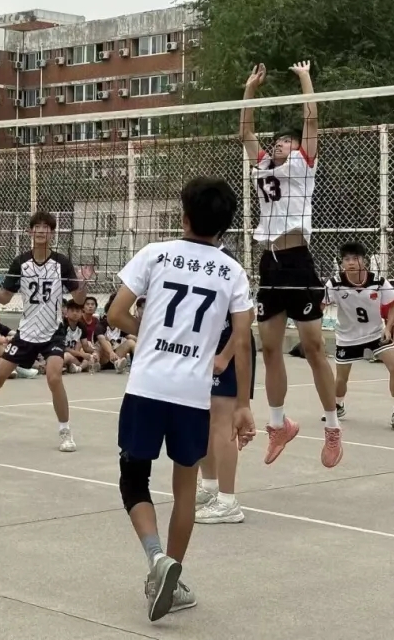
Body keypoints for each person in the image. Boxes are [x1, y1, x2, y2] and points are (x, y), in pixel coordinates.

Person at [107, 176, 255, 622]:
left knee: (133, 479)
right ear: (225, 227)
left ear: (184, 216)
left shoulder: (155, 253)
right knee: (185, 488)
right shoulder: (233, 271)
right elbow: (243, 339)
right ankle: (171, 577)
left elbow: (116, 312)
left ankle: (156, 559)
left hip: (148, 386)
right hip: (193, 394)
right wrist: (242, 403)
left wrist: (149, 332)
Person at [240, 60, 342, 467]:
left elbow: (311, 119)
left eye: (287, 141)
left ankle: (332, 427)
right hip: (270, 264)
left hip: (299, 262)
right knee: (269, 348)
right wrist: (250, 89)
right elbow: (245, 132)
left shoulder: (303, 165)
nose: (281, 144)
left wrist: (304, 77)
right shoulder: (264, 166)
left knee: (314, 347)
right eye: (278, 142)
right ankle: (278, 424)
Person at [0, 212, 88, 451]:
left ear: (52, 233)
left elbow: (79, 299)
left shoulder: (61, 263)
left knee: (54, 377)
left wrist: (83, 283)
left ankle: (65, 432)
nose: (41, 230)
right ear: (30, 231)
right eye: (37, 227)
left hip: (52, 332)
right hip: (26, 332)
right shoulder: (20, 262)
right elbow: (5, 298)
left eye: (46, 227)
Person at [196, 247, 258, 525]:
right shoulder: (194, 256)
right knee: (205, 421)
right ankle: (210, 487)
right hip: (207, 348)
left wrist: (225, 355)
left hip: (228, 348)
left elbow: (248, 316)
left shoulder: (226, 261)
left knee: (223, 422)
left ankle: (228, 500)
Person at [324, 242, 394, 431]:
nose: (351, 262)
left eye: (355, 258)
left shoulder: (378, 281)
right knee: (341, 379)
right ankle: (339, 404)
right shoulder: (334, 284)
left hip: (375, 333)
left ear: (364, 261)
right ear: (342, 263)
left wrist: (388, 328)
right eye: (346, 259)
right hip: (347, 337)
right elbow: (321, 306)